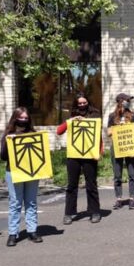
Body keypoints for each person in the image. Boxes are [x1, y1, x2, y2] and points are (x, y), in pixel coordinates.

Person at [56, 93, 102, 224]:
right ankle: (69, 213)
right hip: (74, 155)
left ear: (88, 102)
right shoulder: (72, 117)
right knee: (72, 185)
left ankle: (94, 211)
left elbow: (98, 135)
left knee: (91, 184)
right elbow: (59, 131)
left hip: (89, 154)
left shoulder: (95, 115)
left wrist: (99, 151)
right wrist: (71, 121)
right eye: (80, 103)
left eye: (84, 103)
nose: (82, 105)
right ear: (76, 105)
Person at [0, 107, 42, 246]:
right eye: (21, 118)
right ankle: (13, 233)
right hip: (13, 172)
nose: (23, 120)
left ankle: (32, 231)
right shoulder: (8, 134)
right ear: (15, 118)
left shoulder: (33, 133)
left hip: (31, 172)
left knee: (31, 202)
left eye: (26, 118)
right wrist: (8, 142)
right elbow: (3, 157)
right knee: (15, 203)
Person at [107, 93, 134, 210]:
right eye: (126, 100)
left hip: (130, 148)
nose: (128, 102)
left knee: (132, 174)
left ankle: (132, 198)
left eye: (129, 101)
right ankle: (118, 199)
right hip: (116, 149)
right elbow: (109, 133)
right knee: (117, 175)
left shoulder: (133, 115)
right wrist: (119, 127)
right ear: (120, 102)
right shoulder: (112, 116)